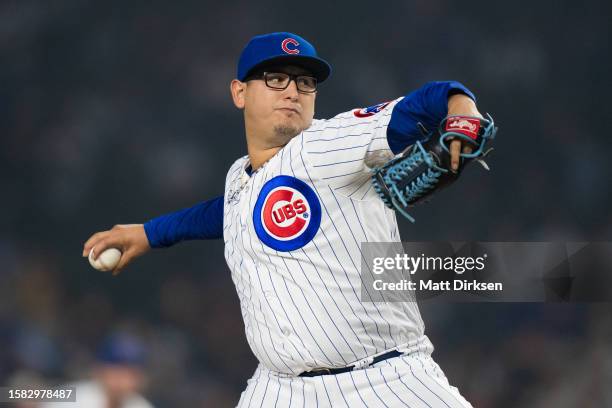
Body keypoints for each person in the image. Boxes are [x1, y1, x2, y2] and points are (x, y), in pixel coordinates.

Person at [83, 32, 486, 407]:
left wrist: (463, 112)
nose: (293, 91)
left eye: (305, 82)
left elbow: (436, 97)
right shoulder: (242, 176)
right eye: (275, 79)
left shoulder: (326, 145)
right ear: (239, 92)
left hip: (385, 379)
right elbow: (226, 212)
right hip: (279, 388)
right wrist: (150, 233)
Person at [40, 332, 153, 408]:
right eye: (115, 371)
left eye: (129, 374)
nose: (121, 381)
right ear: (99, 370)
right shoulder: (69, 396)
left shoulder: (141, 405)